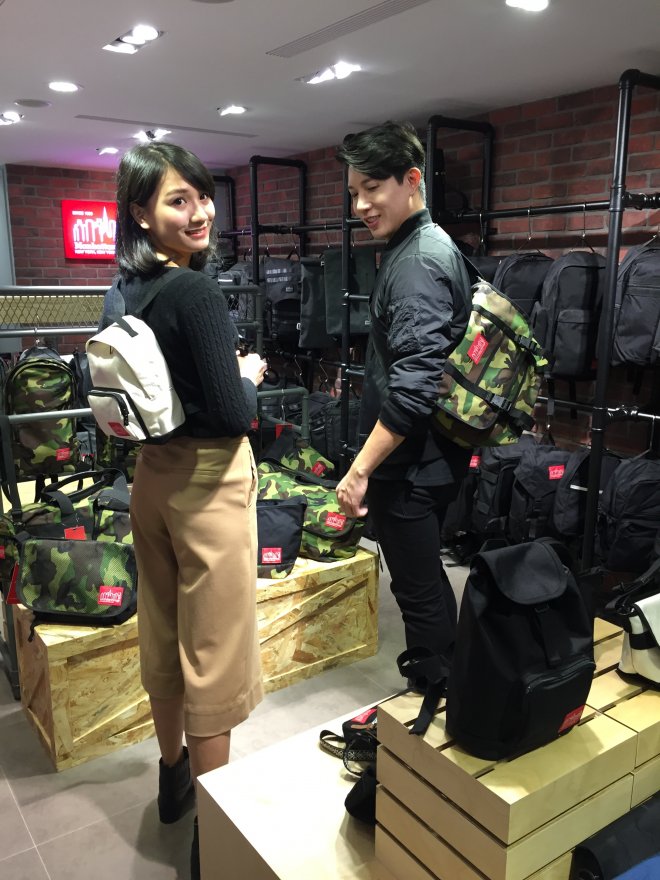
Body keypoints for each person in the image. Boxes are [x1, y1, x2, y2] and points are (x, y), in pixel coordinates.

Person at [101, 142, 267, 880]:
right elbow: (233, 415)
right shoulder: (194, 292)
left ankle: (173, 776)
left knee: (164, 632)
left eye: (201, 196)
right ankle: (213, 830)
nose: (199, 211)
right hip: (207, 482)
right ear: (141, 213)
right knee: (216, 656)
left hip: (151, 479)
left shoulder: (125, 289)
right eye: (178, 200)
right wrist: (246, 374)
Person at [335, 121, 472, 687]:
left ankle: (437, 697)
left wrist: (359, 471)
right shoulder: (418, 246)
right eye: (353, 192)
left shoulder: (417, 260)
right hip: (428, 458)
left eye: (372, 188)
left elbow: (414, 385)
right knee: (425, 579)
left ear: (411, 180)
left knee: (417, 591)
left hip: (413, 465)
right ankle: (453, 685)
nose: (361, 205)